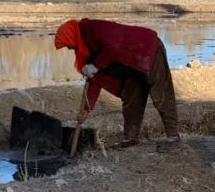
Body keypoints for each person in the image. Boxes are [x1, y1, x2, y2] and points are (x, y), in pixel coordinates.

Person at [54, 18, 180, 148]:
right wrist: (86, 109)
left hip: (147, 49)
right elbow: (94, 80)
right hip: (131, 63)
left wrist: (96, 65)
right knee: (131, 97)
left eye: (68, 45)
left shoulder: (95, 29)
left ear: (71, 36)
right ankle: (131, 138)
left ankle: (173, 136)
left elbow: (113, 46)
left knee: (161, 94)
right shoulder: (86, 49)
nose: (70, 48)